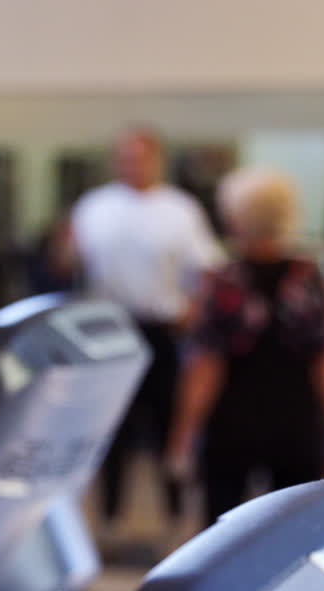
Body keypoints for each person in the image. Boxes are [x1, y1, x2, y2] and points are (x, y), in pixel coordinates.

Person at [167, 168, 324, 522]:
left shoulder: (222, 283)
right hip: (296, 426)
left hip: (233, 427)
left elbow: (205, 369)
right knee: (293, 533)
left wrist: (182, 435)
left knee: (223, 535)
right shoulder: (313, 280)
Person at [71, 127, 222, 536]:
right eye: (124, 157)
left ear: (156, 159)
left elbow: (207, 269)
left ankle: (174, 517)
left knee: (168, 426)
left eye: (139, 157)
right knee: (111, 429)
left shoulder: (180, 209)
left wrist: (192, 311)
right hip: (111, 329)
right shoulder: (95, 206)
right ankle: (110, 519)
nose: (131, 165)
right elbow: (71, 265)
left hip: (162, 329)